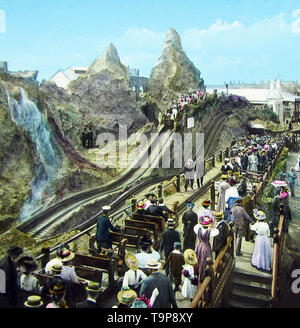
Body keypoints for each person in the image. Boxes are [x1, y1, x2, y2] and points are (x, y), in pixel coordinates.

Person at [194, 217, 219, 283]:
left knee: (199, 259)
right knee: (205, 260)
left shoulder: (198, 230)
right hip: (206, 247)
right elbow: (216, 232)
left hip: (200, 246)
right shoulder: (209, 232)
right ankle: (203, 275)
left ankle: (199, 274)